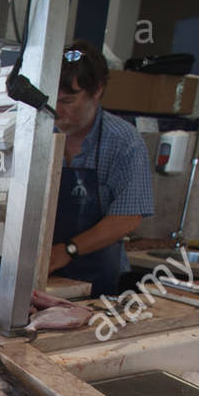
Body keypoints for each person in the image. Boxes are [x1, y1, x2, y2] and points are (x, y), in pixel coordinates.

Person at [47, 40, 154, 297]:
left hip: (97, 277)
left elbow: (128, 217)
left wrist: (68, 250)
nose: (56, 111)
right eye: (52, 100)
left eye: (68, 101)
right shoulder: (40, 134)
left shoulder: (124, 142)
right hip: (44, 270)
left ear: (97, 91)